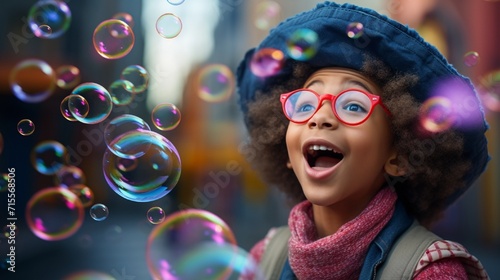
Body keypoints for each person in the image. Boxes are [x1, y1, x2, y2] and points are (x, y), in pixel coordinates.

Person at [235, 2, 490, 279]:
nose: (320, 118)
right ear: (286, 152)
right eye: (305, 105)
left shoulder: (432, 271)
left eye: (353, 106)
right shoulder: (264, 257)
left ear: (398, 156)